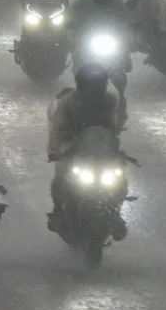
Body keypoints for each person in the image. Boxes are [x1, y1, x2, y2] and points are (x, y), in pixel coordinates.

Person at [47, 64, 128, 236]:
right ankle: (58, 211)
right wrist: (55, 150)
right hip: (72, 146)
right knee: (61, 174)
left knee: (119, 175)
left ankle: (116, 212)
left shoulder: (110, 100)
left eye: (98, 86)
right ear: (81, 85)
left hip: (99, 146)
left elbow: (112, 126)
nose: (94, 91)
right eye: (91, 86)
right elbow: (56, 129)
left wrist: (114, 144)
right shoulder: (67, 103)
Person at [66, 0, 141, 74]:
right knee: (79, 65)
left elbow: (132, 24)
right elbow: (67, 22)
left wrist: (135, 40)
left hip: (114, 44)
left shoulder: (119, 5)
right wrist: (69, 37)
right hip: (85, 44)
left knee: (122, 62)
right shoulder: (80, 4)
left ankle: (123, 65)